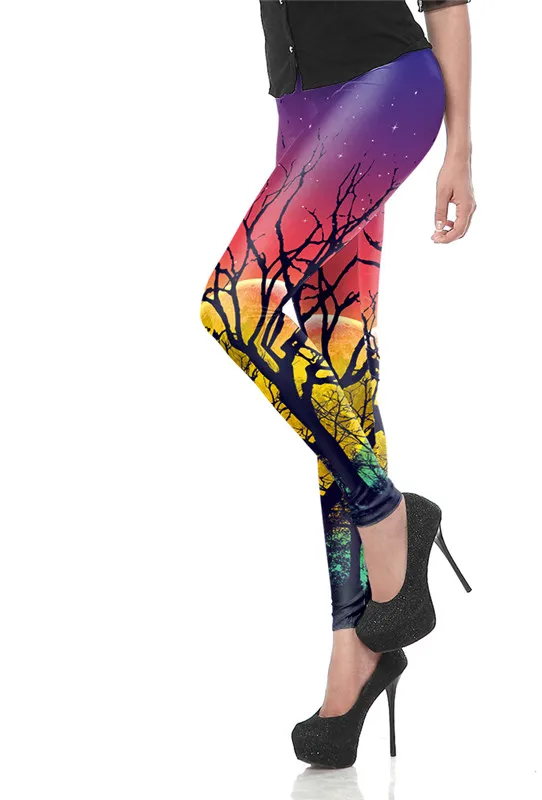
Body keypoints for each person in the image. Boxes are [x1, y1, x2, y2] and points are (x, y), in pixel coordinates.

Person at [200, 0, 476, 767]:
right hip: (302, 106)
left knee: (237, 303)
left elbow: (447, 3)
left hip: (386, 88)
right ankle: (356, 654)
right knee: (339, 376)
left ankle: (390, 519)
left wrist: (459, 153)